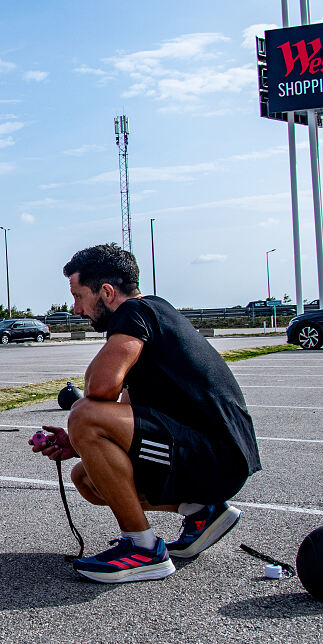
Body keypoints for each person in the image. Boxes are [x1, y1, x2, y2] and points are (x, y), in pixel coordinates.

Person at [32, 244, 260, 583]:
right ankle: (201, 511)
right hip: (211, 454)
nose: (77, 309)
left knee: (83, 413)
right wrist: (78, 444)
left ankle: (143, 548)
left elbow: (100, 389)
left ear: (106, 292)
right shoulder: (155, 314)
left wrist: (85, 426)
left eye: (79, 296)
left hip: (214, 455)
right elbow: (124, 412)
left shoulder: (133, 313)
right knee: (86, 479)